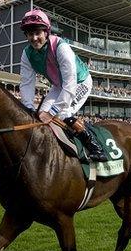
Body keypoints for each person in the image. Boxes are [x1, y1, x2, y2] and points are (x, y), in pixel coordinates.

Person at [19, 9, 107, 162]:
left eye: (37, 33)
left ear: (46, 32)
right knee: (40, 116)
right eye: (29, 34)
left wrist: (52, 111)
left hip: (80, 82)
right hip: (59, 86)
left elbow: (70, 84)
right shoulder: (26, 54)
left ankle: (95, 147)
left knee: (62, 113)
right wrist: (29, 109)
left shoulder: (61, 47)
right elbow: (26, 84)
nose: (34, 38)